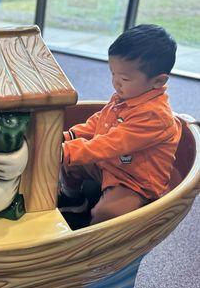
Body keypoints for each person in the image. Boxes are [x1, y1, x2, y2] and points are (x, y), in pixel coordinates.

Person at [59, 24, 182, 225]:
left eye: (124, 78)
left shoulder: (155, 116)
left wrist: (65, 150)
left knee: (107, 212)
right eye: (112, 73)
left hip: (134, 181)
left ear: (158, 81)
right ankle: (75, 200)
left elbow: (111, 143)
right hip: (110, 164)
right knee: (70, 163)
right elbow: (99, 122)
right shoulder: (127, 95)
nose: (115, 82)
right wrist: (70, 136)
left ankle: (92, 241)